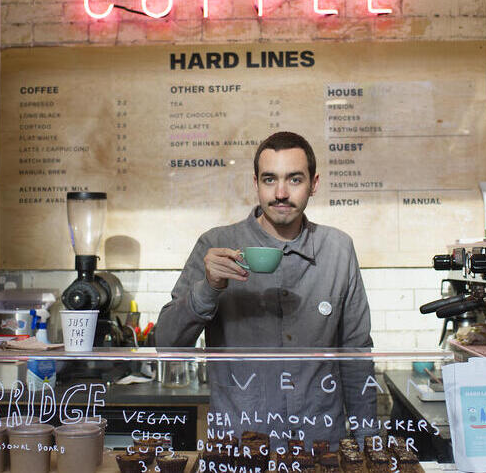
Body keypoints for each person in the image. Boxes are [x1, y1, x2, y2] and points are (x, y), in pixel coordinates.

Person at [156, 131, 376, 447]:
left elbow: (356, 355)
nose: (281, 193)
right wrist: (209, 288)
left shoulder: (338, 249)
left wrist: (369, 442)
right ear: (256, 183)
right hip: (240, 446)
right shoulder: (216, 245)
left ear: (314, 184)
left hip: (319, 446)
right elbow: (167, 345)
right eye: (269, 180)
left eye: (295, 180)